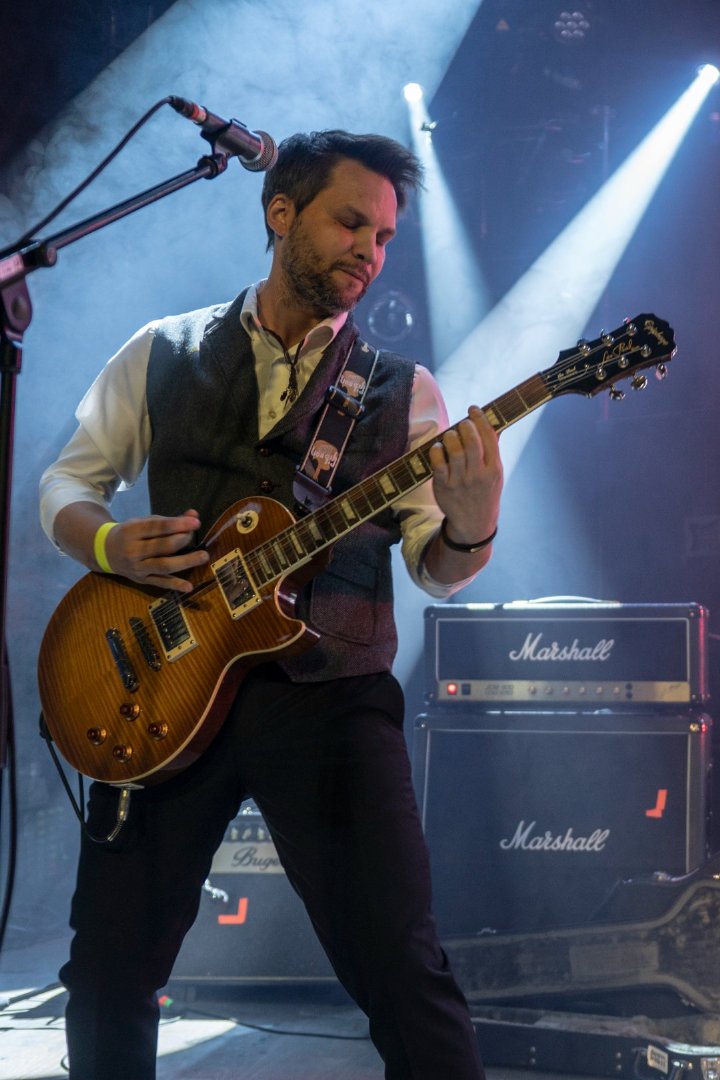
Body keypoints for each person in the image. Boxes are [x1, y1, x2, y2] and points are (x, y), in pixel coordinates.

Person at [39, 129, 503, 1080]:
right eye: (350, 223)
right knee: (109, 974)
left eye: (383, 237)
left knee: (404, 974)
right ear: (280, 211)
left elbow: (436, 570)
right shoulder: (161, 350)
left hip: (328, 700)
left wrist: (473, 524)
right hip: (159, 687)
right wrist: (109, 543)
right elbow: (66, 484)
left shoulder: (406, 393)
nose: (369, 252)